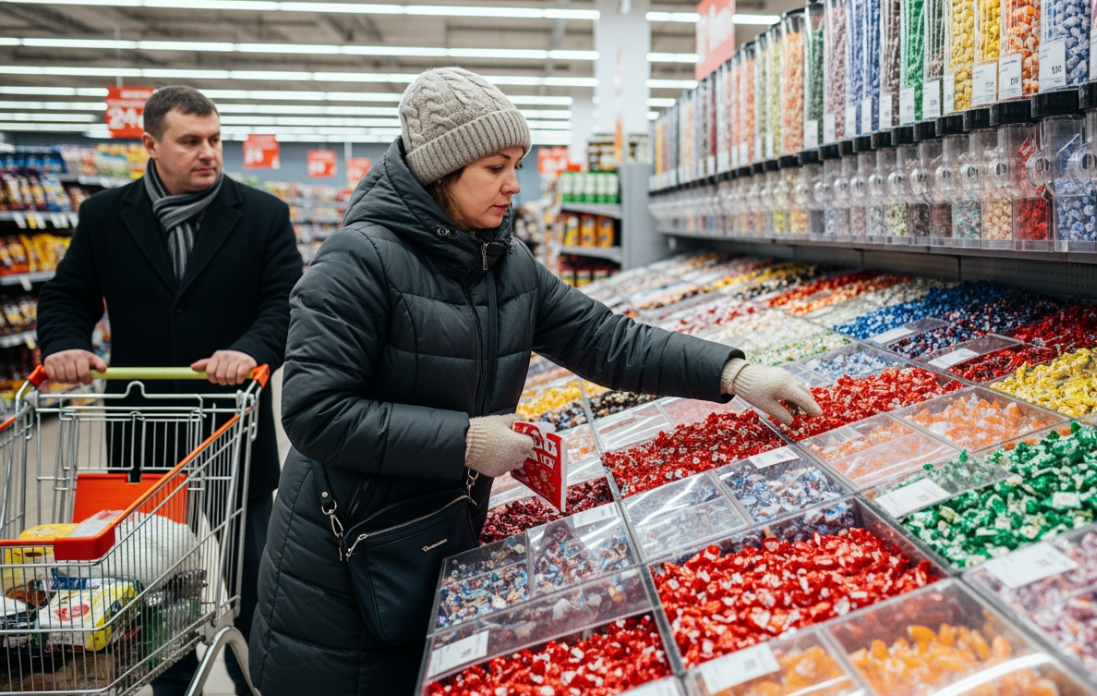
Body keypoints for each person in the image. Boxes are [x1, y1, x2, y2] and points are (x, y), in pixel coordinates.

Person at [248, 67, 823, 695]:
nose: (514, 186)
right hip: (341, 568)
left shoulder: (502, 259)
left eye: (517, 164)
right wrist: (464, 441)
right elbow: (313, 412)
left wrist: (732, 372)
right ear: (445, 168)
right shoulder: (357, 260)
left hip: (433, 534)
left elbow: (606, 340)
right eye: (496, 167)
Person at [36, 85, 303, 696]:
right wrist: (65, 343)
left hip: (234, 429)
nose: (209, 153)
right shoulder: (104, 216)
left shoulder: (261, 215)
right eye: (191, 141)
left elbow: (286, 304)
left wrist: (252, 349)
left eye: (215, 139)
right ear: (151, 145)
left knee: (254, 583)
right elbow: (66, 296)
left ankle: (256, 681)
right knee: (152, 581)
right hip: (143, 428)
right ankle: (170, 680)